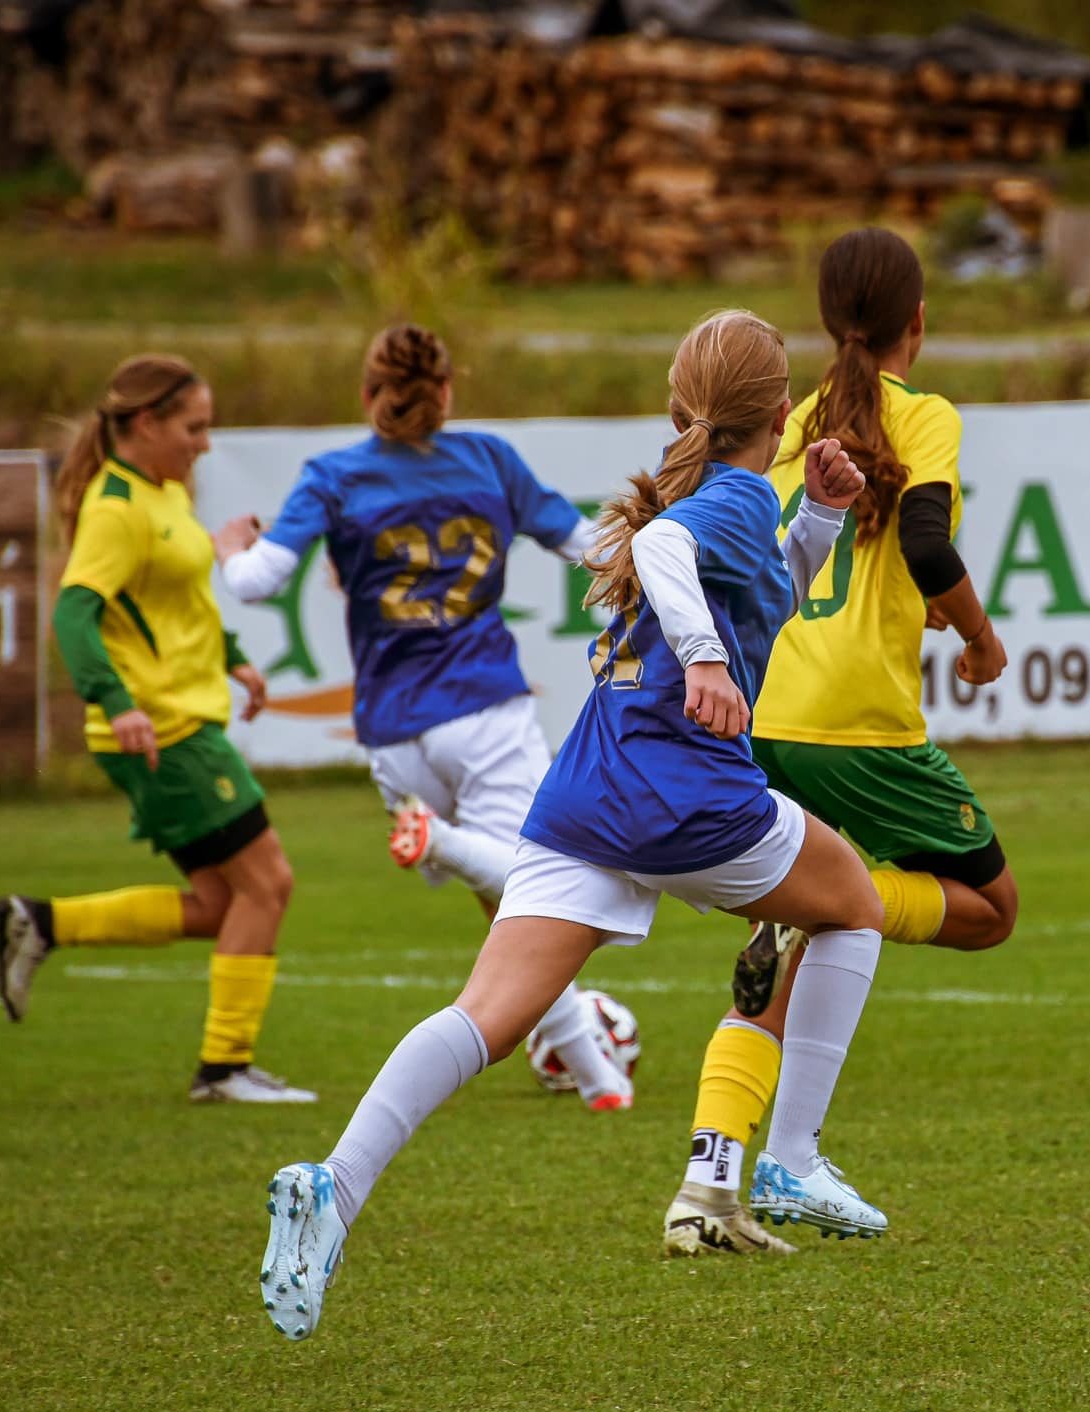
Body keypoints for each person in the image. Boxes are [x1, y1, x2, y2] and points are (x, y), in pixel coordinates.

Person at [259, 309, 884, 1342]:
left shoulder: (717, 495)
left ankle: (332, 1186)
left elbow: (759, 598)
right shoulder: (719, 501)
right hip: (679, 790)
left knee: (488, 1016)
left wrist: (817, 515)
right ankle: (790, 1156)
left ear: (682, 411)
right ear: (783, 410)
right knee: (852, 905)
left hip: (588, 788)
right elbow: (666, 549)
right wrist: (705, 662)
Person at [661, 228, 1016, 1257]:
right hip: (855, 724)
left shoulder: (784, 420)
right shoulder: (923, 414)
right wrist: (979, 637)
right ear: (918, 321)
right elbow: (927, 541)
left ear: (825, 320)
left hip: (761, 712)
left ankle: (705, 1187)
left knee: (796, 929)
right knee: (989, 910)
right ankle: (836, 916)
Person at [212, 323, 634, 1111]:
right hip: (484, 707)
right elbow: (592, 548)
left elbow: (256, 582)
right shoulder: (490, 461)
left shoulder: (333, 475)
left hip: (393, 730)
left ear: (368, 393)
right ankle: (448, 851)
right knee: (538, 886)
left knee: (502, 900)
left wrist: (231, 546)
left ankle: (594, 1073)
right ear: (446, 390)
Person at [0, 354, 313, 1105]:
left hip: (184, 720)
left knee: (222, 906)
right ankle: (224, 1069)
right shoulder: (115, 509)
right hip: (163, 731)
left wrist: (232, 658)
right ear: (145, 423)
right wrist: (115, 701)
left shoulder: (161, 491)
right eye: (193, 428)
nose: (205, 443)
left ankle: (39, 923)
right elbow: (75, 614)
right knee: (269, 883)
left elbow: (173, 603)